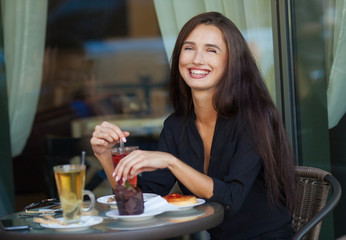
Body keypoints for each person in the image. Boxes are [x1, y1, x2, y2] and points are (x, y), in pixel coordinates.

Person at [90, 12, 296, 240]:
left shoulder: (254, 116)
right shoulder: (176, 126)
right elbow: (140, 200)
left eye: (211, 50)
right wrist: (106, 156)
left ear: (232, 61)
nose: (197, 59)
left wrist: (170, 161)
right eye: (189, 48)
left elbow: (230, 200)